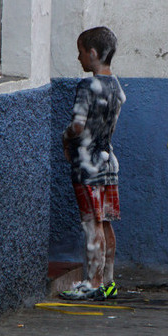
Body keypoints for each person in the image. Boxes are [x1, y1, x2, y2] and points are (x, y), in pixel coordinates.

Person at [59, 26, 126, 301]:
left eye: (81, 53)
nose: (79, 59)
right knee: (106, 222)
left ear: (94, 53)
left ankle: (92, 282)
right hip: (109, 163)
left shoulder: (87, 87)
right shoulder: (116, 86)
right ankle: (108, 281)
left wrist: (64, 140)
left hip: (86, 166)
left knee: (92, 224)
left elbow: (77, 125)